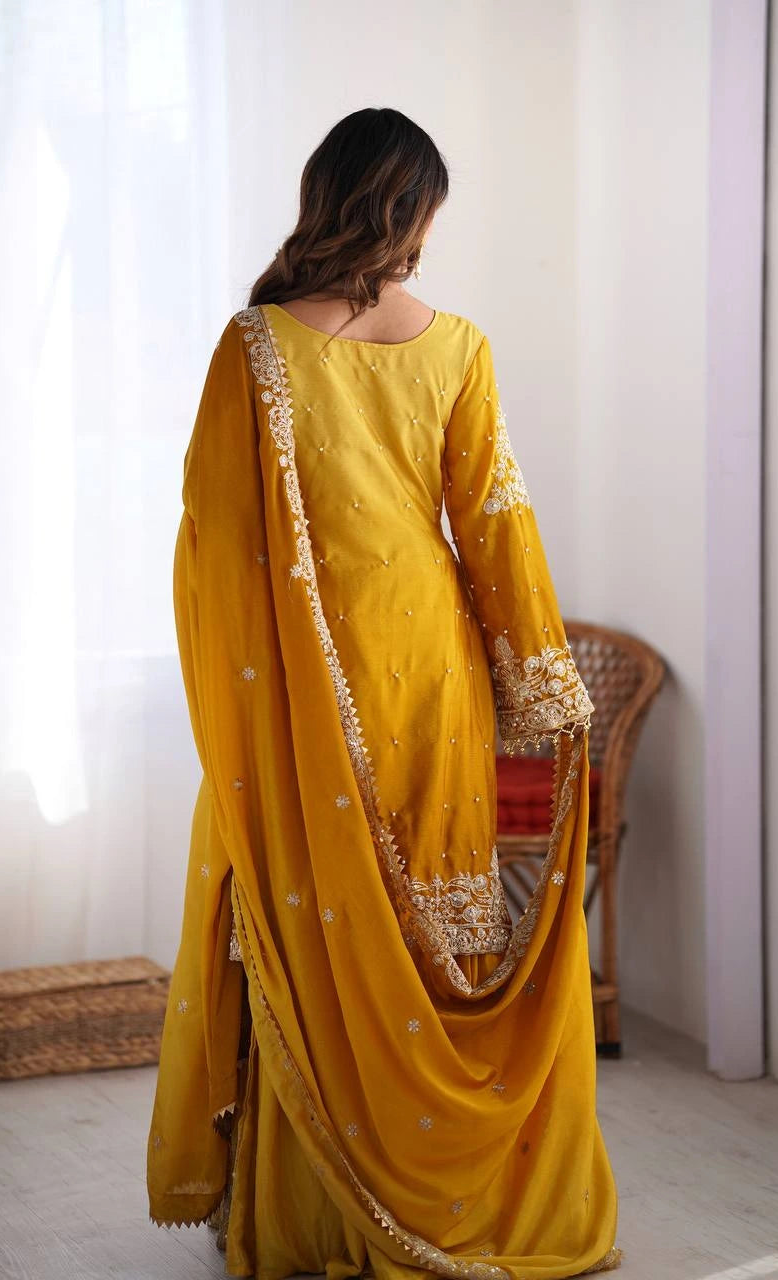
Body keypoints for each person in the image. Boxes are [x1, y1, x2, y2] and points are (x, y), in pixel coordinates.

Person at [147, 106, 621, 1280]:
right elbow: (494, 519)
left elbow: (212, 541)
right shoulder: (456, 343)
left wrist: (243, 693)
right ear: (410, 214)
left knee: (314, 930)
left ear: (325, 196)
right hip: (433, 676)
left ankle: (321, 1208)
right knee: (422, 945)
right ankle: (449, 1192)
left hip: (308, 690)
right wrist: (544, 683)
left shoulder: (253, 344)